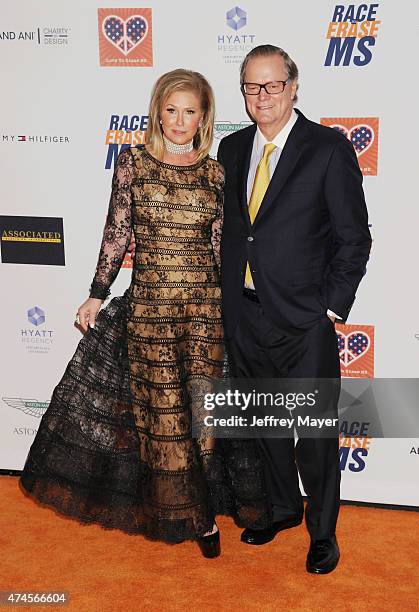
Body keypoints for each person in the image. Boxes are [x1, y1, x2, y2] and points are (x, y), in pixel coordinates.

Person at [19, 69, 270, 559]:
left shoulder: (216, 173)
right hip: (150, 313)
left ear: (204, 117)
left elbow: (222, 249)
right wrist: (97, 291)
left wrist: (245, 307)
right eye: (170, 110)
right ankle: (197, 518)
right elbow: (117, 232)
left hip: (205, 312)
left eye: (189, 111)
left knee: (204, 419)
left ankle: (197, 506)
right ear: (158, 111)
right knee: (164, 421)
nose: (179, 121)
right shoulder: (132, 164)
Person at [217, 45, 372, 573]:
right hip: (245, 314)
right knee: (264, 424)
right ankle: (281, 509)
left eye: (271, 85)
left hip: (305, 320)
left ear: (293, 86)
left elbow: (355, 238)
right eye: (250, 87)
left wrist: (330, 307)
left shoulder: (328, 149)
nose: (261, 97)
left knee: (316, 433)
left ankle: (323, 533)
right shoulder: (232, 149)